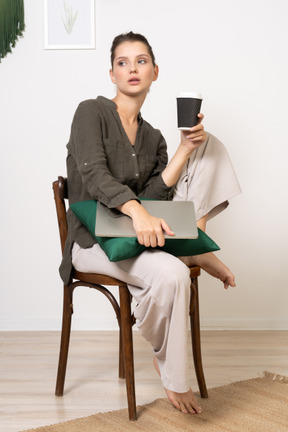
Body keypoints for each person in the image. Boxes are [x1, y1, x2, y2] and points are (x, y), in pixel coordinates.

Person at [60, 31, 241, 415]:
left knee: (207, 145)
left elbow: (158, 193)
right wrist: (137, 211)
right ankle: (174, 375)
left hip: (138, 236)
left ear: (155, 72)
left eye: (141, 61)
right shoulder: (90, 113)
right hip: (94, 242)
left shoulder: (154, 136)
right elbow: (93, 175)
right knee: (173, 273)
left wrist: (184, 150)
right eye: (123, 62)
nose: (132, 69)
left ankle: (197, 239)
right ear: (111, 73)